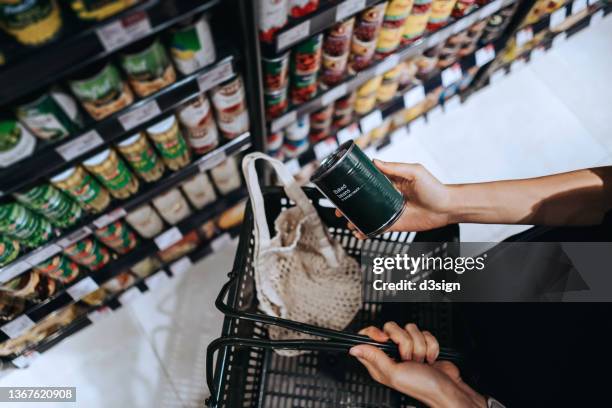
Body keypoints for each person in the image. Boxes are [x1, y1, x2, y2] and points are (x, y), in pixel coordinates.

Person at [341, 160, 612, 407]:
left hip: (533, 383)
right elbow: (605, 194)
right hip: (558, 266)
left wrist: (458, 399)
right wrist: (449, 204)